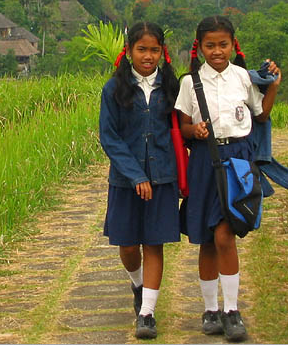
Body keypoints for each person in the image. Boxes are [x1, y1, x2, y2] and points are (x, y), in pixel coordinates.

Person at [175, 15, 281, 342]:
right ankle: (210, 310)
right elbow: (182, 126)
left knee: (226, 233)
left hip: (238, 161)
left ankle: (232, 310)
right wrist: (196, 130)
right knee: (207, 239)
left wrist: (273, 86)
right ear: (200, 47)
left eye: (223, 44)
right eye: (210, 45)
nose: (217, 51)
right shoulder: (189, 82)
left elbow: (261, 114)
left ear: (233, 45)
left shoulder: (243, 78)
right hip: (205, 161)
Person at [98, 22, 180, 339]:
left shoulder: (172, 88)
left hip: (162, 179)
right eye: (142, 49)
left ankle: (147, 314)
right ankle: (138, 285)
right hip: (124, 180)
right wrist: (134, 175)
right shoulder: (114, 89)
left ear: (163, 52)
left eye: (154, 50)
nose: (148, 56)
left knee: (154, 242)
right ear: (129, 51)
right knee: (129, 244)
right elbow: (110, 137)